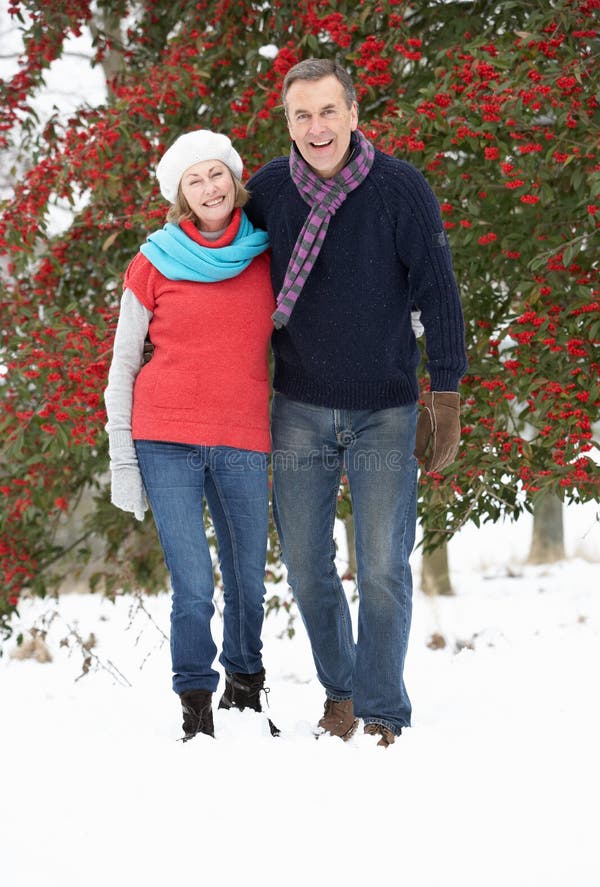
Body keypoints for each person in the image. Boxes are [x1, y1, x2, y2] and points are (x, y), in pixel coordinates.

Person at [245, 59, 468, 747]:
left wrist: (447, 397)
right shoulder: (269, 191)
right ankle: (340, 689)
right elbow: (225, 267)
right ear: (288, 122)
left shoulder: (400, 189)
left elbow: (439, 290)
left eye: (328, 112)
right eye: (301, 115)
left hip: (385, 407)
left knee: (379, 566)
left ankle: (381, 711)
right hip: (300, 404)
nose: (316, 128)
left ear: (354, 113)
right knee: (308, 567)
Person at [104, 130, 278, 741]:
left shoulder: (266, 255)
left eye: (217, 175)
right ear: (180, 193)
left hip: (243, 436)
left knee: (248, 577)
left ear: (235, 180)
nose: (209, 188)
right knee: (195, 585)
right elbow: (124, 364)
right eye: (194, 180)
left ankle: (246, 684)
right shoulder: (152, 260)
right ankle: (195, 704)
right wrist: (121, 458)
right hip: (165, 437)